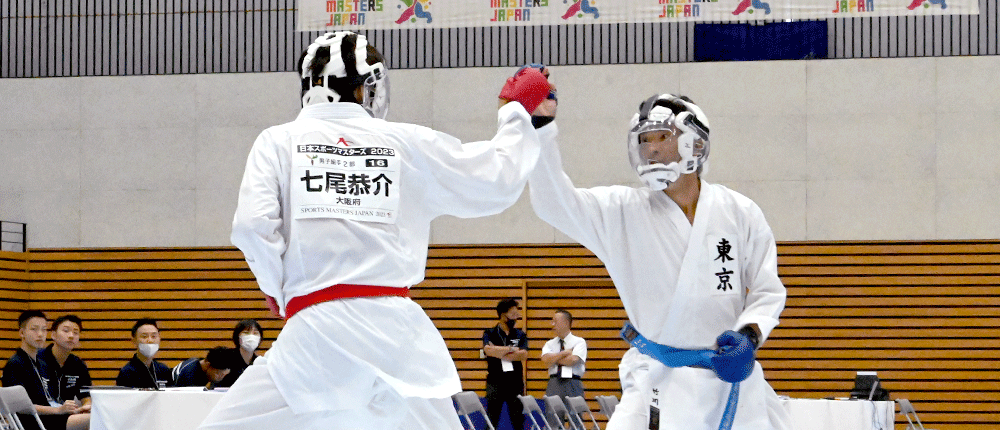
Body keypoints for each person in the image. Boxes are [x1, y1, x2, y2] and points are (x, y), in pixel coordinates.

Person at [199, 30, 549, 430]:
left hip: (316, 333)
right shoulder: (402, 140)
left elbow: (252, 227)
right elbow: (494, 179)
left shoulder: (278, 141)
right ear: (368, 88)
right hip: (399, 337)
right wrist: (516, 111)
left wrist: (275, 288)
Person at [527, 85, 790, 430]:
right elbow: (552, 203)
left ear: (695, 142)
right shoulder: (621, 211)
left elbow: (767, 290)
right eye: (644, 140)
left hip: (730, 379)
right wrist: (541, 128)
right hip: (657, 380)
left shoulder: (740, 212)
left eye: (661, 137)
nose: (650, 149)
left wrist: (749, 337)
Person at [2, 311, 90, 430]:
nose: (40, 334)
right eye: (34, 329)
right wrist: (58, 410)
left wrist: (67, 409)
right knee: (95, 418)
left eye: (44, 330)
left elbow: (52, 399)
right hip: (35, 422)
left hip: (52, 417)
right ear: (22, 333)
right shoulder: (16, 364)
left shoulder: (41, 364)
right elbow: (19, 407)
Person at [481, 298, 528, 430]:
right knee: (492, 419)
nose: (516, 317)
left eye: (517, 314)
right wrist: (512, 349)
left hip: (515, 382)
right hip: (495, 382)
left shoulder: (520, 335)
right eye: (513, 315)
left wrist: (498, 351)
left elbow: (524, 354)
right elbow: (488, 351)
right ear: (503, 315)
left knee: (518, 419)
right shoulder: (489, 333)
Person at [37, 315, 93, 416]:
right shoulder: (37, 359)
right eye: (66, 331)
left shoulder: (79, 364)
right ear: (53, 335)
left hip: (67, 417)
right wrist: (58, 410)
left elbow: (86, 397)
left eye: (75, 332)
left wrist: (87, 406)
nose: (71, 336)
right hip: (40, 417)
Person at [540, 309, 587, 406]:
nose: (552, 324)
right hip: (554, 382)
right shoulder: (549, 344)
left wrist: (554, 358)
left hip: (573, 381)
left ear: (566, 323)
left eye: (555, 321)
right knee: (553, 417)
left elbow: (573, 360)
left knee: (575, 418)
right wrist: (564, 353)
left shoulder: (579, 341)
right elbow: (545, 361)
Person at [116, 318, 174, 389]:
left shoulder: (164, 370)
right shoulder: (127, 373)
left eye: (153, 336)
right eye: (144, 336)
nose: (150, 340)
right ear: (134, 341)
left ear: (159, 339)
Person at [216, 319, 264, 388]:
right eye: (246, 333)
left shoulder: (259, 363)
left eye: (255, 333)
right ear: (238, 337)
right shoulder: (226, 358)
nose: (251, 336)